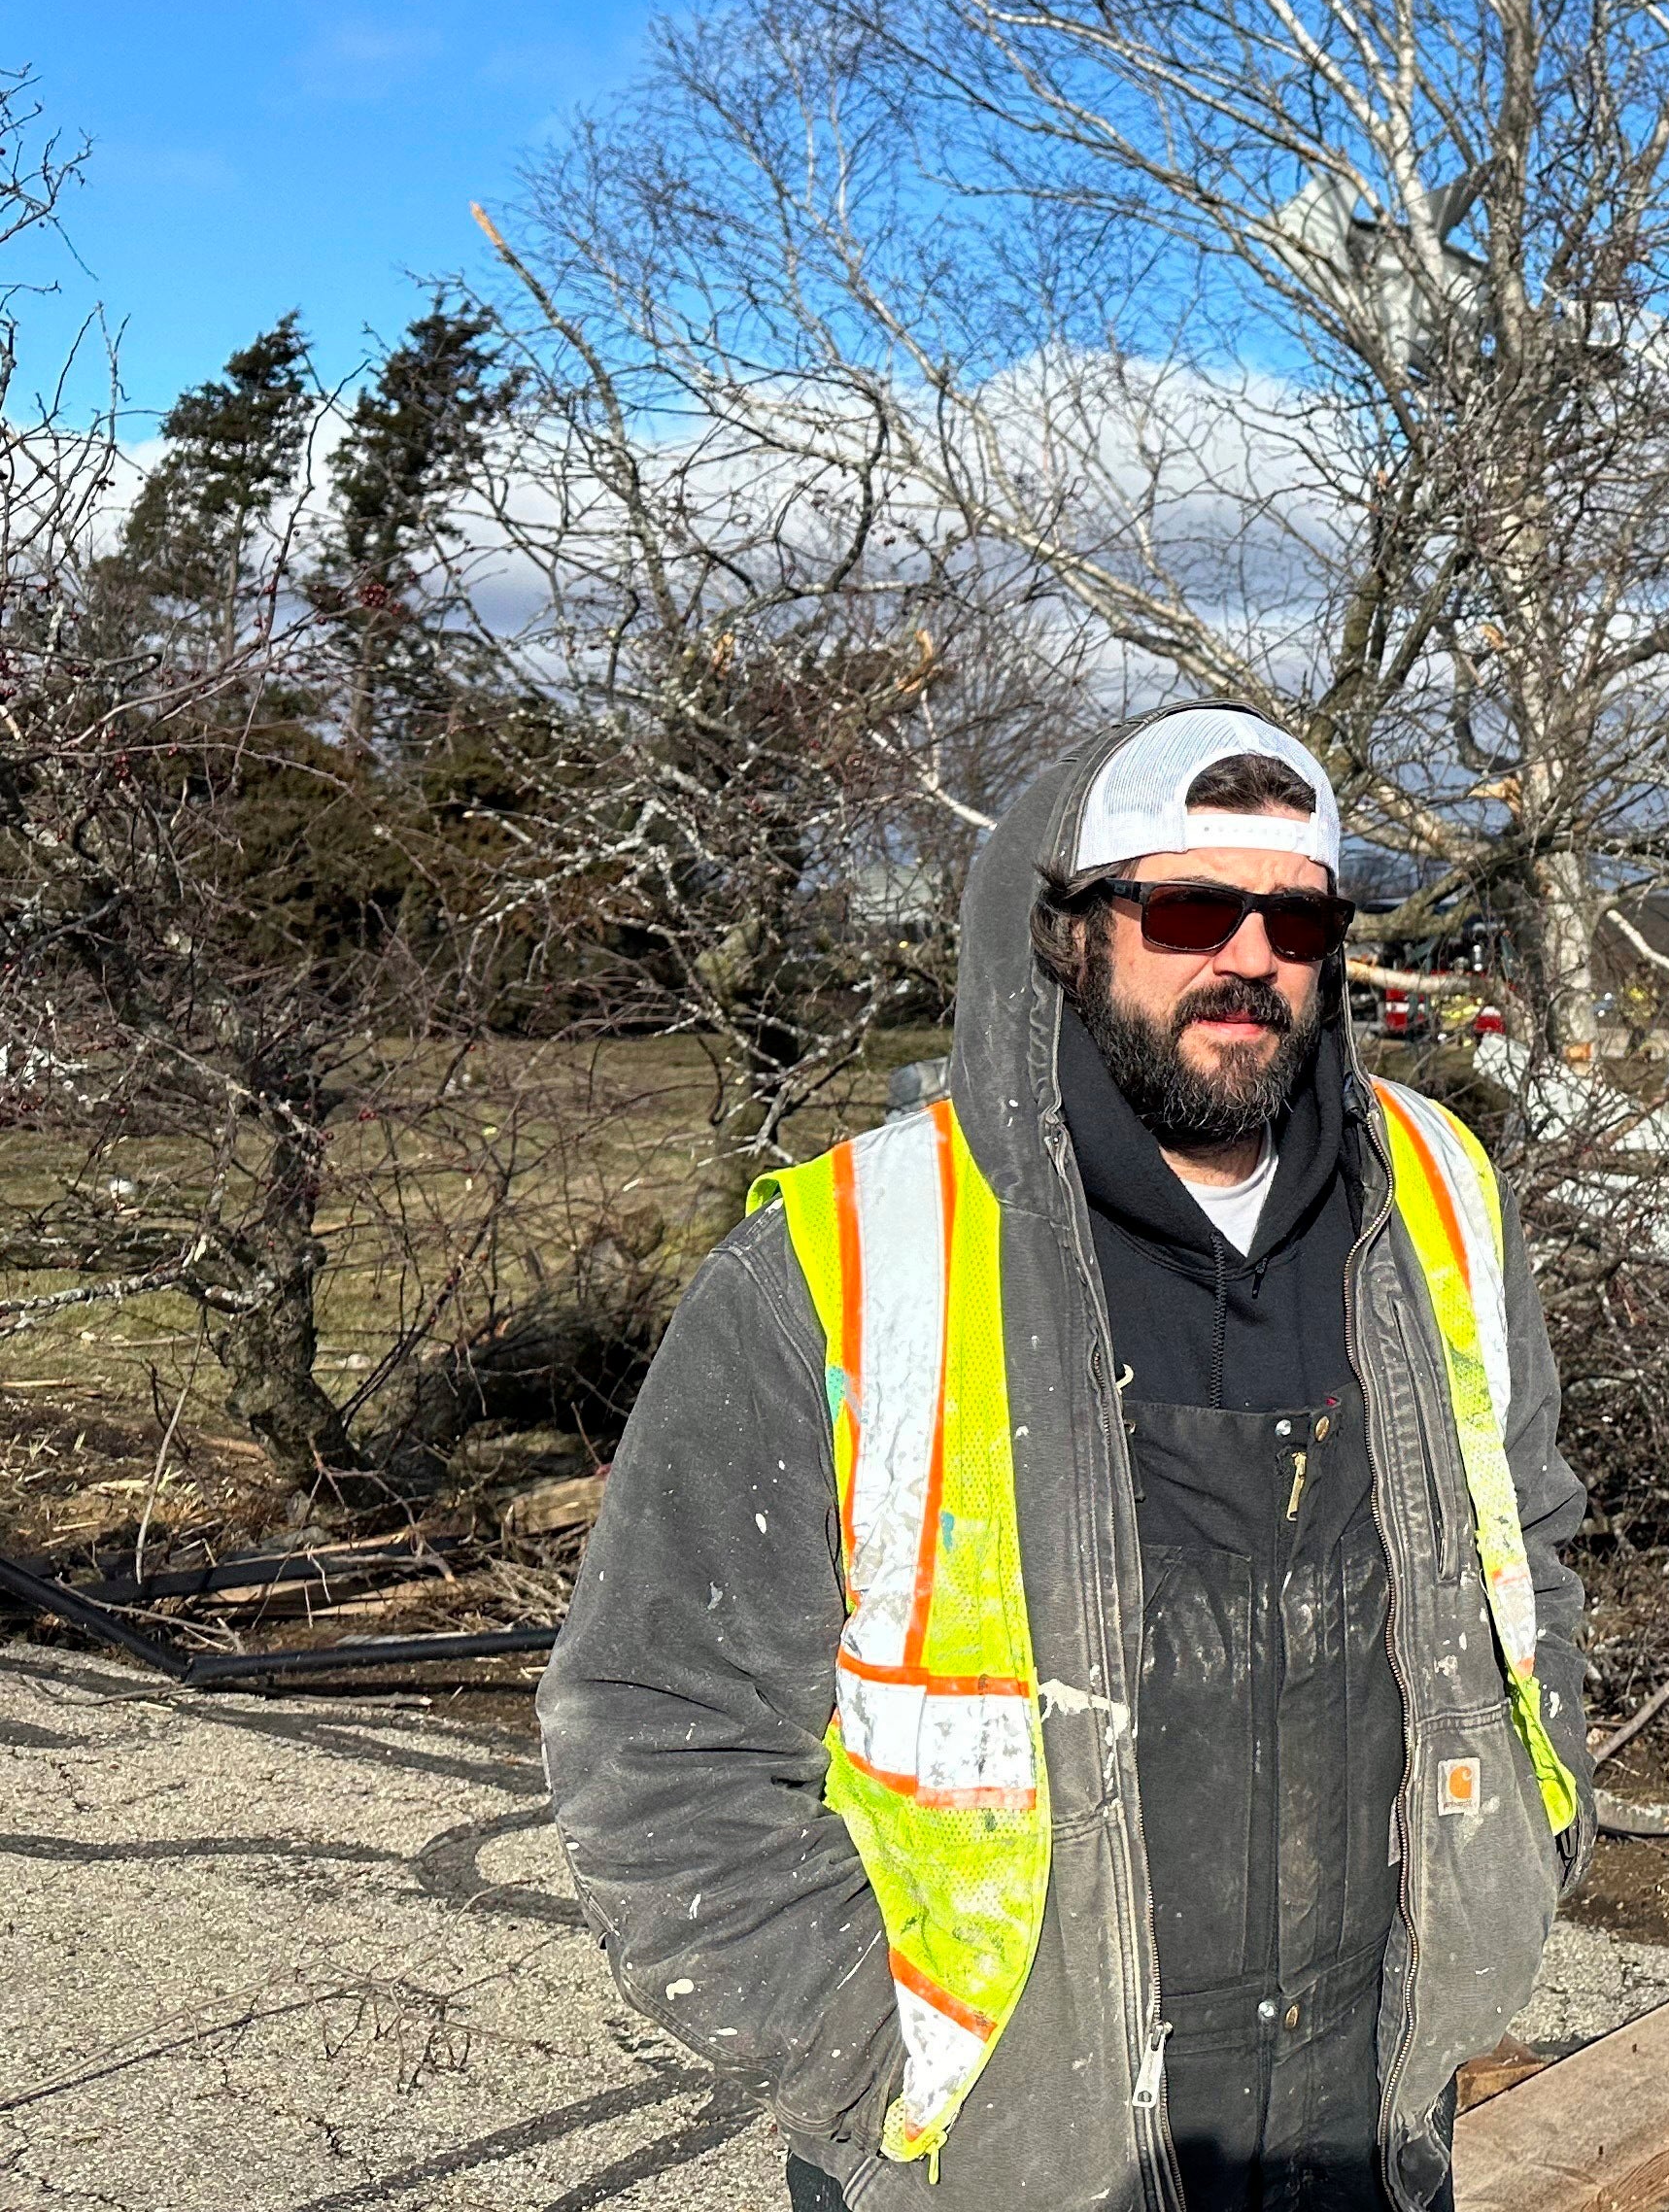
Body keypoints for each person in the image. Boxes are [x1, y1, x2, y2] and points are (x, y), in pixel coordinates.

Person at [541, 708, 1592, 2212]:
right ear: (1063, 933)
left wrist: (1525, 1864)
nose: (1249, 958)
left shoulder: (1434, 1197)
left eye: (1296, 917)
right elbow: (655, 1728)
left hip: (1364, 2131)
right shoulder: (845, 1263)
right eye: (1186, 909)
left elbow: (1530, 1542)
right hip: (1010, 2162)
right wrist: (874, 2058)